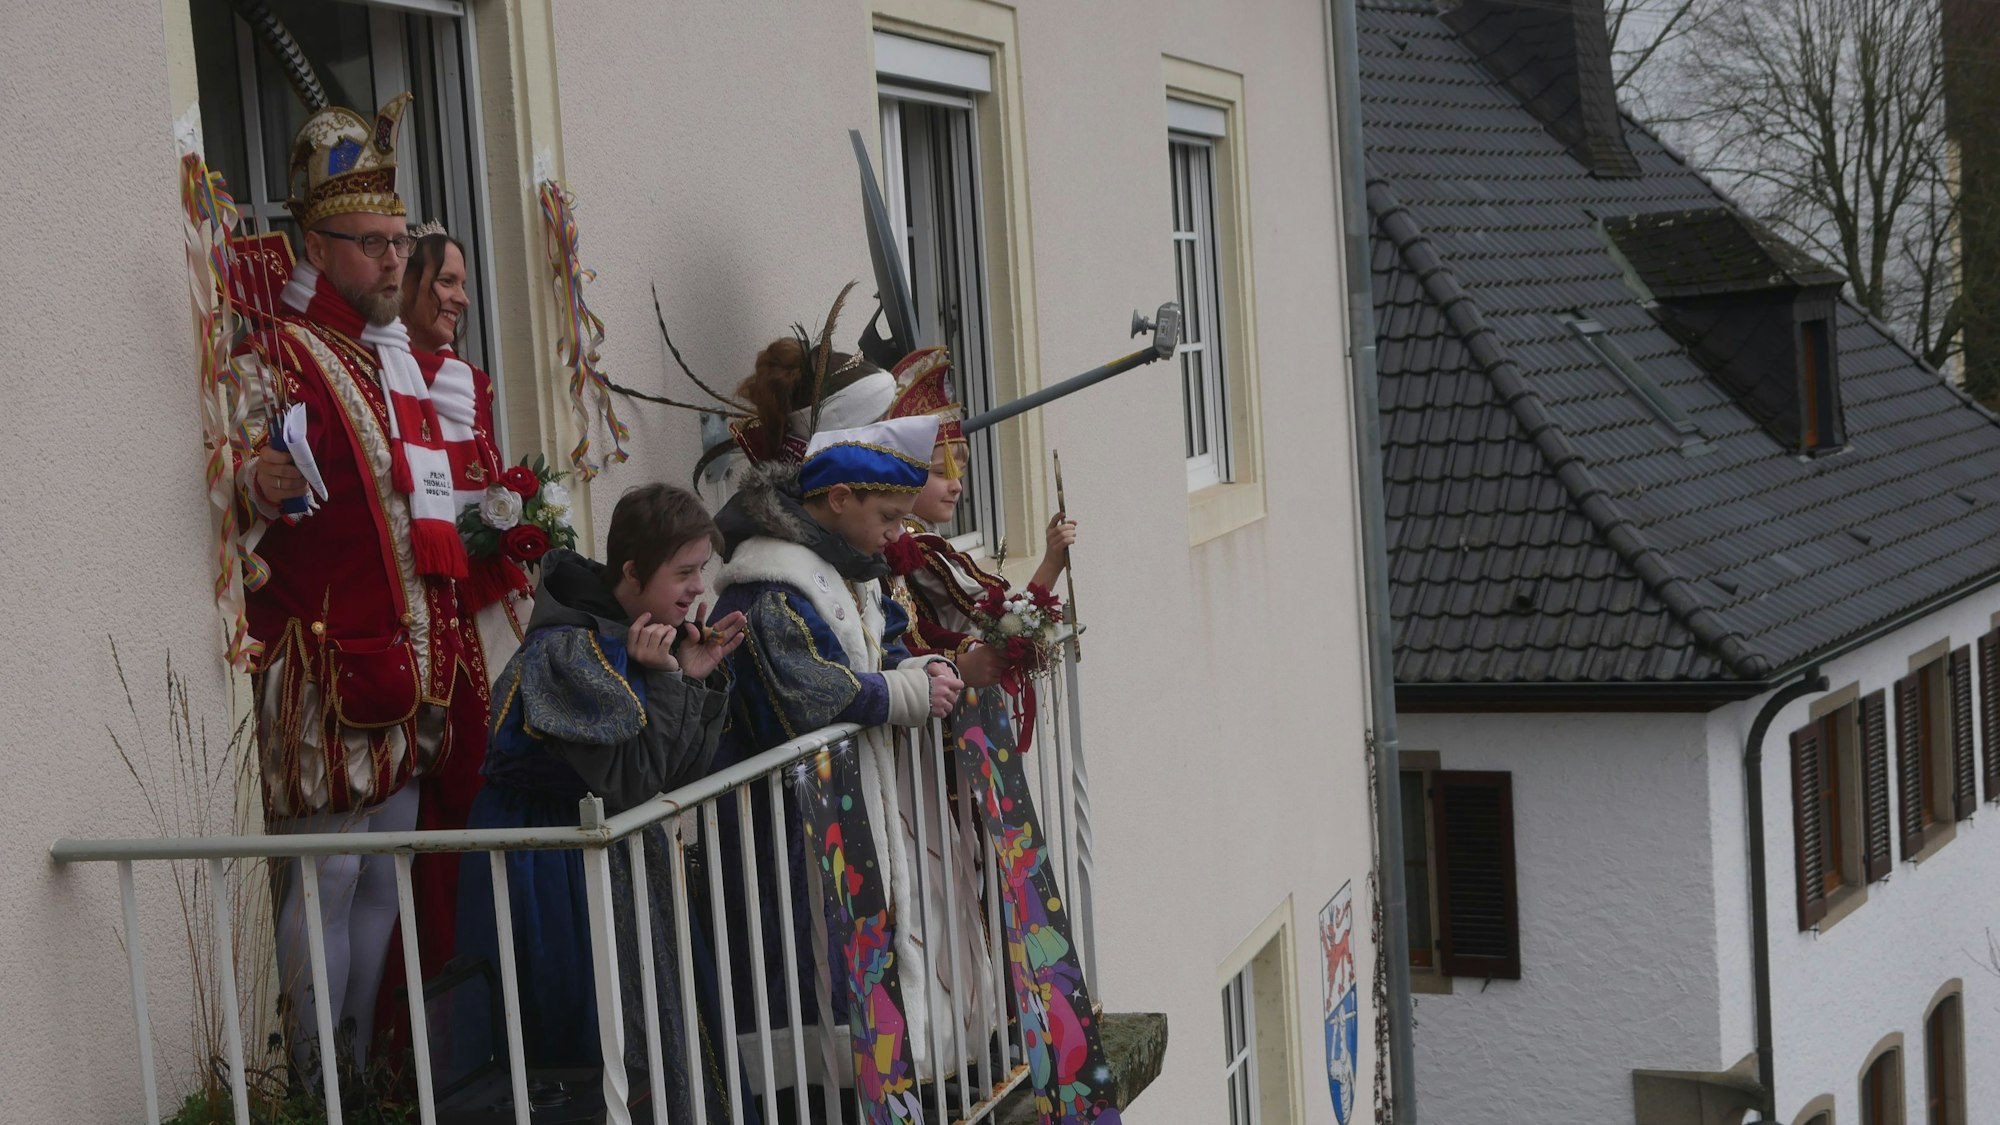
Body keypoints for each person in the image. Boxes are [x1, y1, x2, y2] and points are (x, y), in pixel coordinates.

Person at [236, 92, 486, 1073]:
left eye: (399, 241)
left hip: (404, 667)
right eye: (373, 244)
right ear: (316, 244)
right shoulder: (280, 353)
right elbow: (237, 482)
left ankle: (361, 1066)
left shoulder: (389, 360)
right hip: (327, 670)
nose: (394, 261)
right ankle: (315, 1083)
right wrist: (254, 481)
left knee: (384, 872)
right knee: (330, 875)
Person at [878, 347, 1122, 1125]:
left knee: (987, 892)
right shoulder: (902, 557)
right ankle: (993, 1037)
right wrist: (1038, 585)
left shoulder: (928, 553)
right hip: (938, 760)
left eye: (958, 466)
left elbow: (998, 623)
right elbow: (984, 634)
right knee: (968, 898)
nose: (955, 482)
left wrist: (1047, 566)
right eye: (938, 468)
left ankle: (1011, 1028)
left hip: (956, 755)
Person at [710, 410, 978, 1114]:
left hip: (841, 801)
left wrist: (915, 666)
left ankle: (878, 1084)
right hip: (783, 821)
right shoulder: (769, 585)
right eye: (888, 516)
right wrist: (900, 691)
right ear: (837, 500)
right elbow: (803, 691)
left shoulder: (844, 566)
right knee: (809, 960)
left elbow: (880, 645)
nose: (897, 532)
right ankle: (828, 1099)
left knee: (859, 944)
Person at [454, 483, 748, 1124]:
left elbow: (677, 773)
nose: (698, 587)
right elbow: (630, 783)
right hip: (548, 861)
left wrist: (690, 677)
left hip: (606, 848)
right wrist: (666, 682)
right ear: (633, 571)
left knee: (657, 1017)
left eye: (701, 569)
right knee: (591, 1037)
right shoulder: (567, 652)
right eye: (684, 572)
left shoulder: (637, 635)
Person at [395, 227, 531, 975]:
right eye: (445, 281)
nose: (461, 297)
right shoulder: (386, 379)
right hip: (434, 613)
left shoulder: (468, 381)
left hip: (491, 602)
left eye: (462, 283)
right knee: (459, 781)